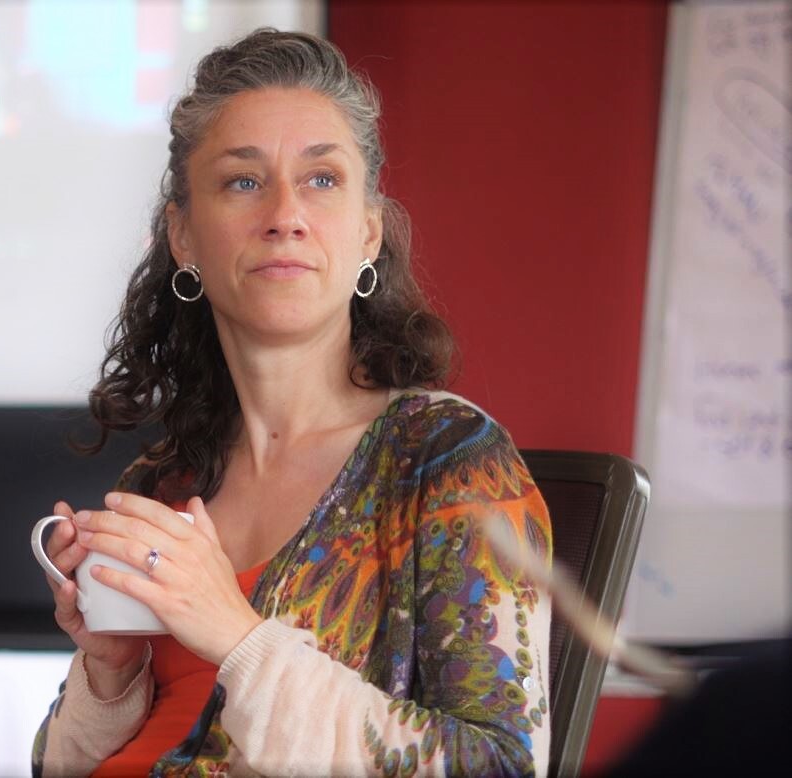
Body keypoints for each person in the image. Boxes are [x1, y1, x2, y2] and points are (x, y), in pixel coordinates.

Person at [32, 29, 553, 777]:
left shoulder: (443, 460)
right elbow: (49, 765)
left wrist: (235, 636)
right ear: (182, 236)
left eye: (321, 180)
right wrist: (111, 671)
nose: (285, 214)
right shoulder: (165, 480)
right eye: (243, 182)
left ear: (367, 232)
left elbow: (498, 765)